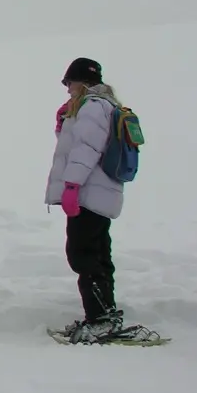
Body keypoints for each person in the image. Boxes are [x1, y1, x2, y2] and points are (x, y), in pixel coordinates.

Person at [46, 56, 129, 343]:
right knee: (98, 254)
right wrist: (64, 125)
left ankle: (100, 320)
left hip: (87, 194)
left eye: (69, 82)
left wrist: (71, 187)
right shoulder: (104, 106)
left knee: (83, 255)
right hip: (99, 195)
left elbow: (85, 150)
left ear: (82, 82)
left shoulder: (92, 108)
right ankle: (105, 313)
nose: (67, 88)